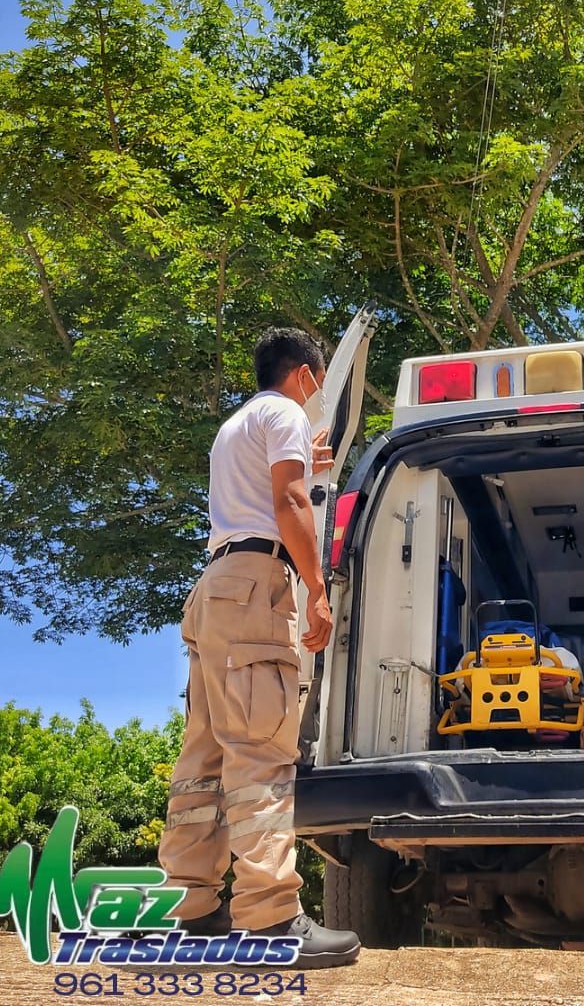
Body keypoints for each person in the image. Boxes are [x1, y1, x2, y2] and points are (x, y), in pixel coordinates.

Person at [157, 328, 361, 969]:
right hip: (253, 589)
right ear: (305, 375)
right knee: (262, 751)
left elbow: (271, 489)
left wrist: (311, 467)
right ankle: (272, 917)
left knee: (206, 753)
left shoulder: (238, 424)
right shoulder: (285, 413)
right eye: (318, 383)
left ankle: (190, 906)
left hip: (213, 589)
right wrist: (316, 589)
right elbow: (290, 500)